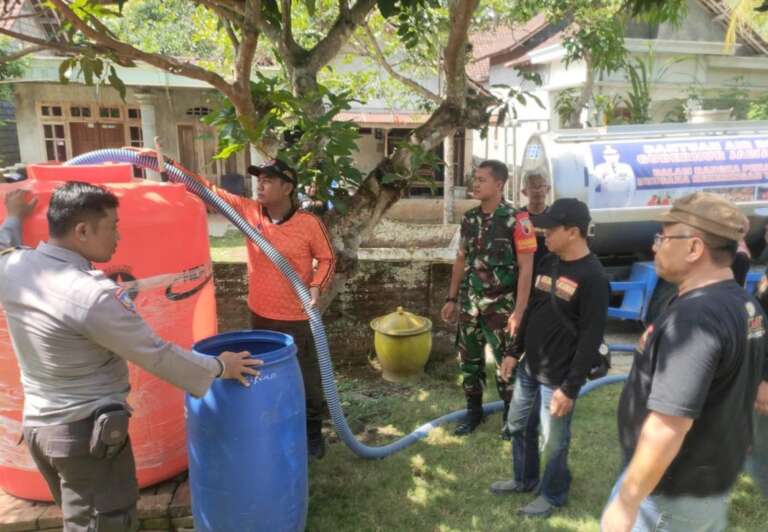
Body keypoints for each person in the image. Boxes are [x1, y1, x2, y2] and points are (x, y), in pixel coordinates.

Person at [0, 185, 260, 532]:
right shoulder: (91, 295)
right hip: (84, 435)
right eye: (112, 226)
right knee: (105, 522)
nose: (119, 236)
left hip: (39, 432)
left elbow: (4, 247)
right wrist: (220, 366)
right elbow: (155, 355)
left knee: (81, 517)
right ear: (82, 230)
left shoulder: (14, 268)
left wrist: (13, 217)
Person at [601, 192, 768, 532]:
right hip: (702, 483)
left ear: (694, 248)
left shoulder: (695, 320)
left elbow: (667, 427)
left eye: (663, 237)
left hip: (667, 493)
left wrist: (627, 501)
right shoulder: (744, 304)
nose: (655, 247)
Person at [194, 158, 336, 459]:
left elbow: (327, 259)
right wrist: (169, 167)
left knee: (307, 377)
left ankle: (312, 432)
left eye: (269, 180)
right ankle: (273, 425)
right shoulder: (248, 213)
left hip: (298, 318)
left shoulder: (308, 224)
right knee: (265, 375)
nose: (261, 185)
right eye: (260, 179)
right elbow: (209, 191)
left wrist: (316, 287)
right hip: (260, 315)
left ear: (287, 187)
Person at [491, 198, 610, 518]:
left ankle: (553, 494)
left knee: (554, 440)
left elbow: (590, 337)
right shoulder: (550, 262)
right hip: (531, 367)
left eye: (551, 228)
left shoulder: (594, 278)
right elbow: (532, 310)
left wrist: (570, 388)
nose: (543, 233)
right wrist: (514, 353)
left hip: (558, 377)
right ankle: (524, 479)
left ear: (573, 232)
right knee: (517, 425)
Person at [441, 160, 536, 436]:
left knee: (506, 364)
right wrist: (451, 298)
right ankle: (474, 414)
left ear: (499, 184)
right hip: (471, 307)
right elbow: (461, 259)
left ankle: (510, 419)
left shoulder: (518, 220)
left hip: (502, 309)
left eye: (482, 179)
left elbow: (526, 267)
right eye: (475, 178)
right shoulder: (469, 219)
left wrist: (519, 311)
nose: (475, 183)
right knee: (469, 363)